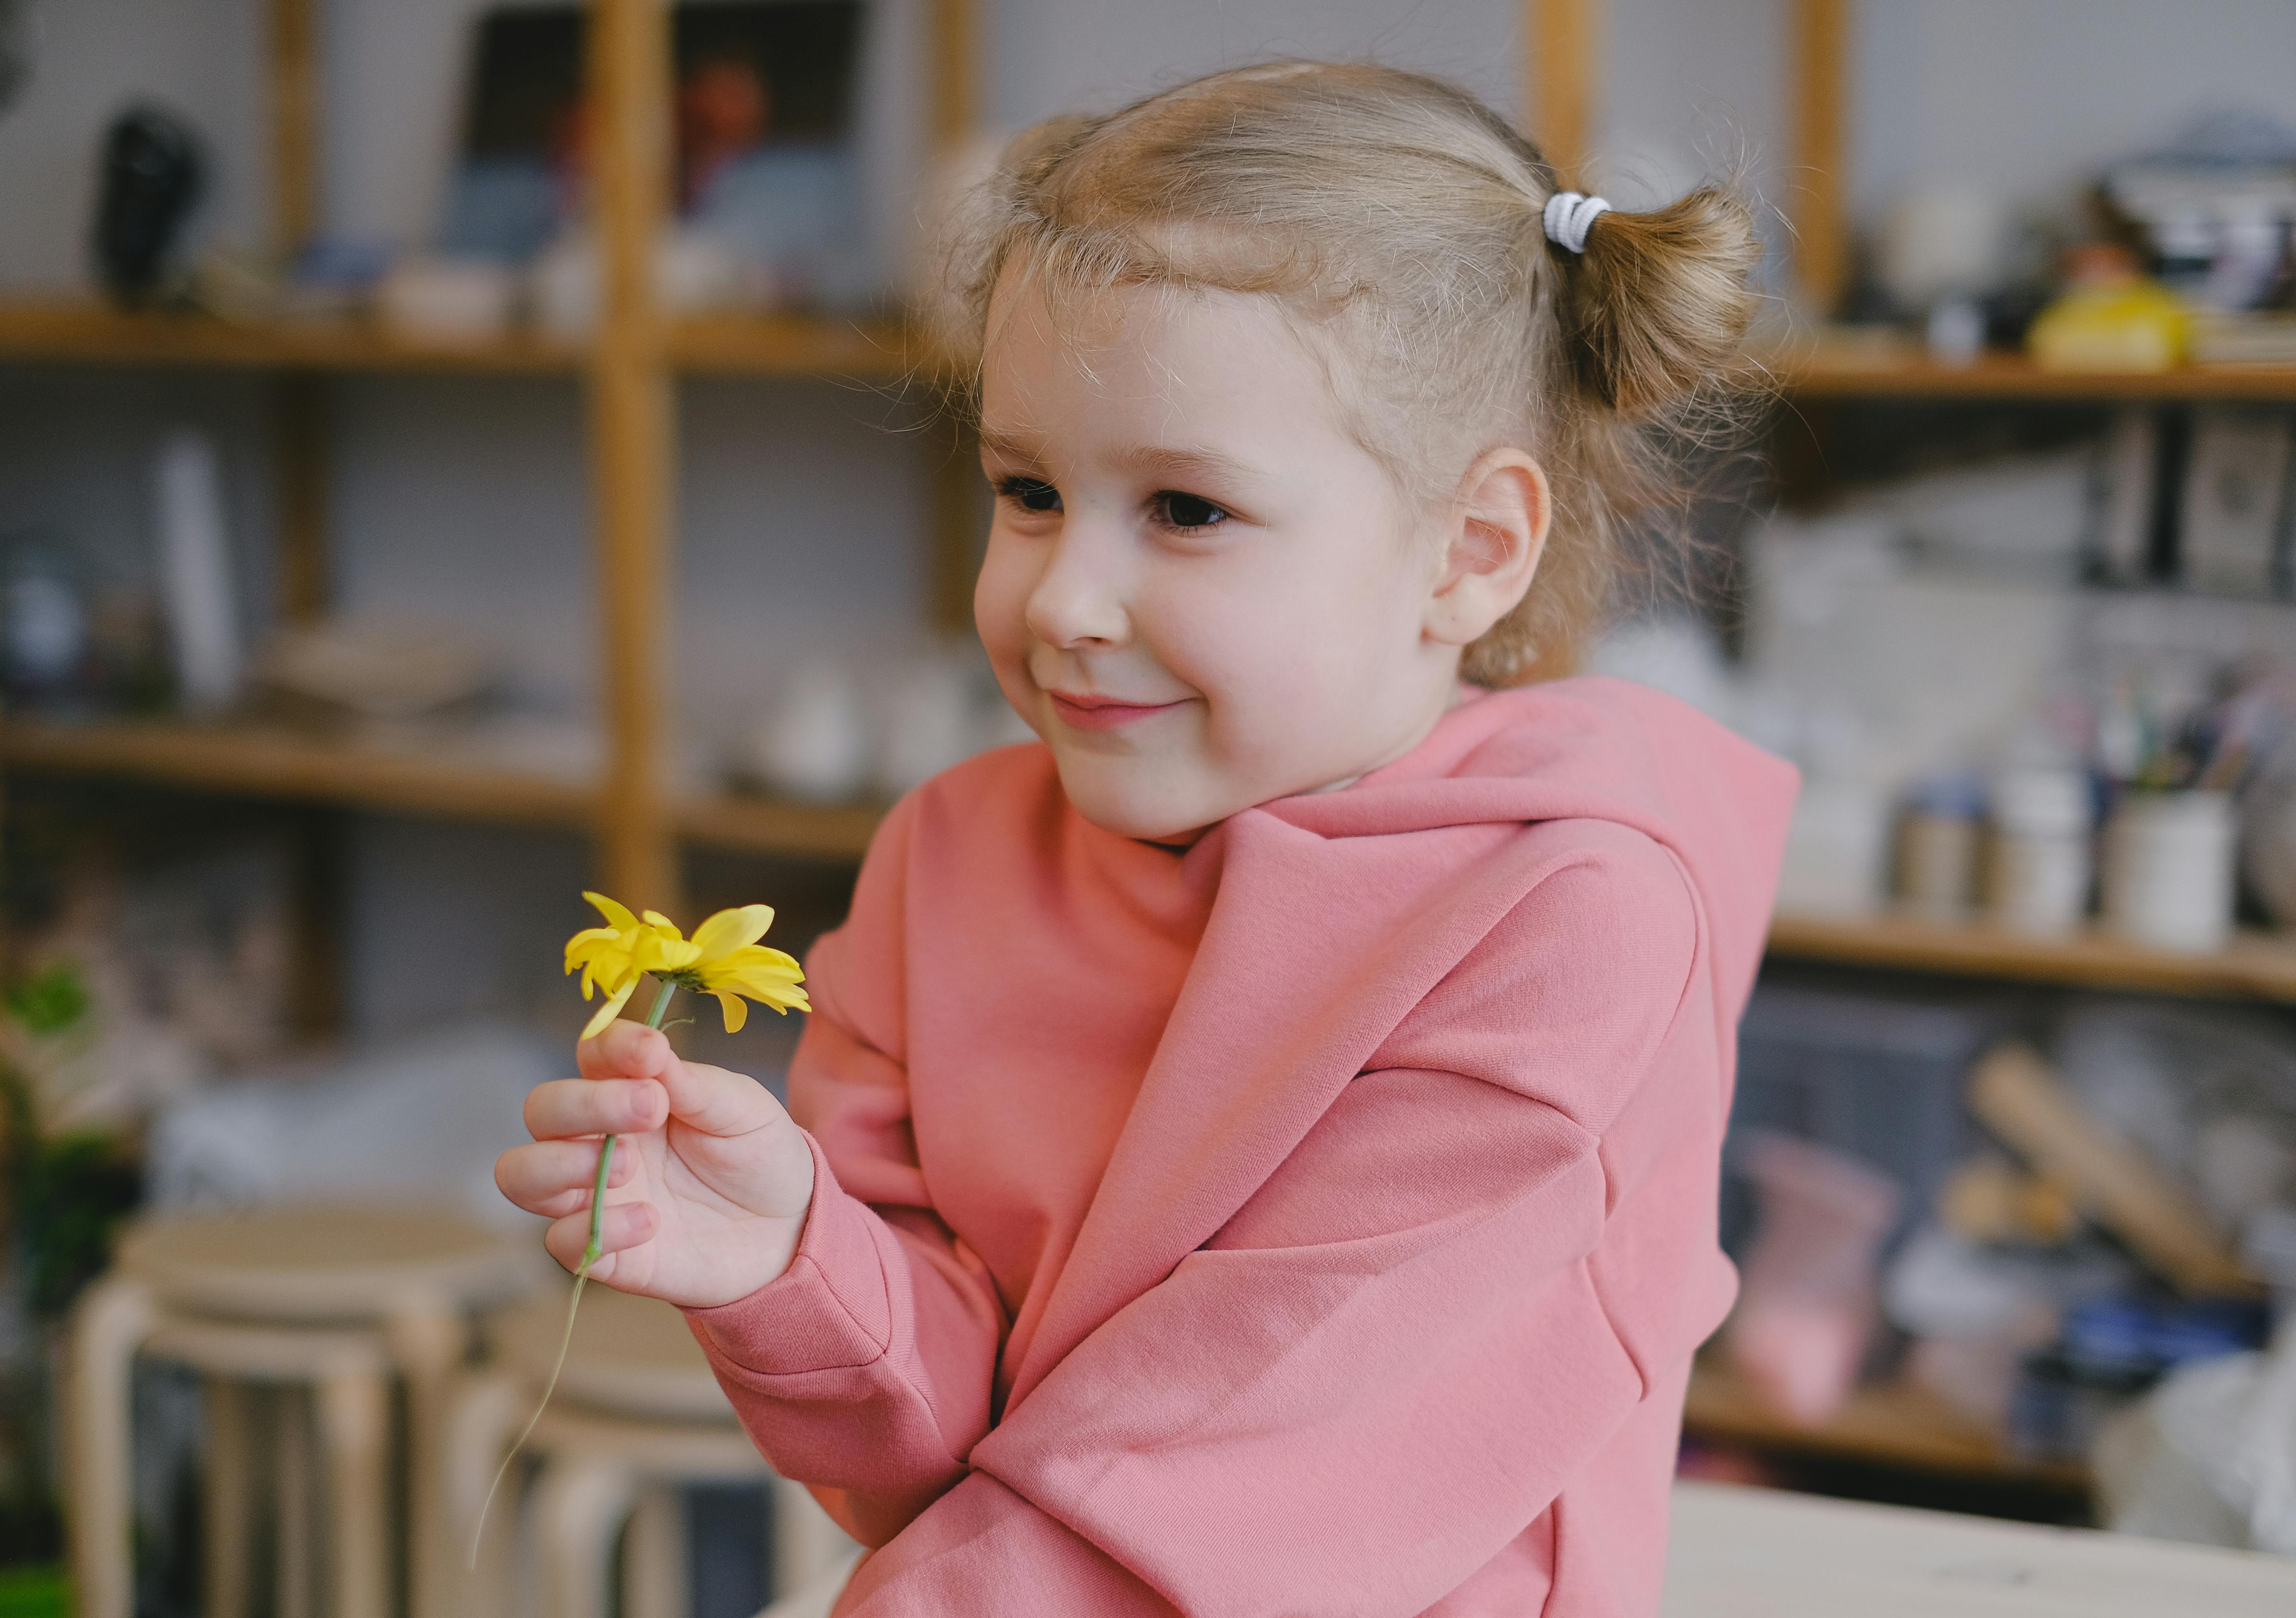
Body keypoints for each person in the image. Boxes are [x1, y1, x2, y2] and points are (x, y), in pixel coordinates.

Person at [497, 61, 1796, 1616]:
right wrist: (799, 1258)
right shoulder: (947, 860)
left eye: (1185, 511)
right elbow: (929, 1458)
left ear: (1473, 550)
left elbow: (1234, 1475)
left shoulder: (1569, 920)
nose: (1060, 599)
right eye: (1029, 491)